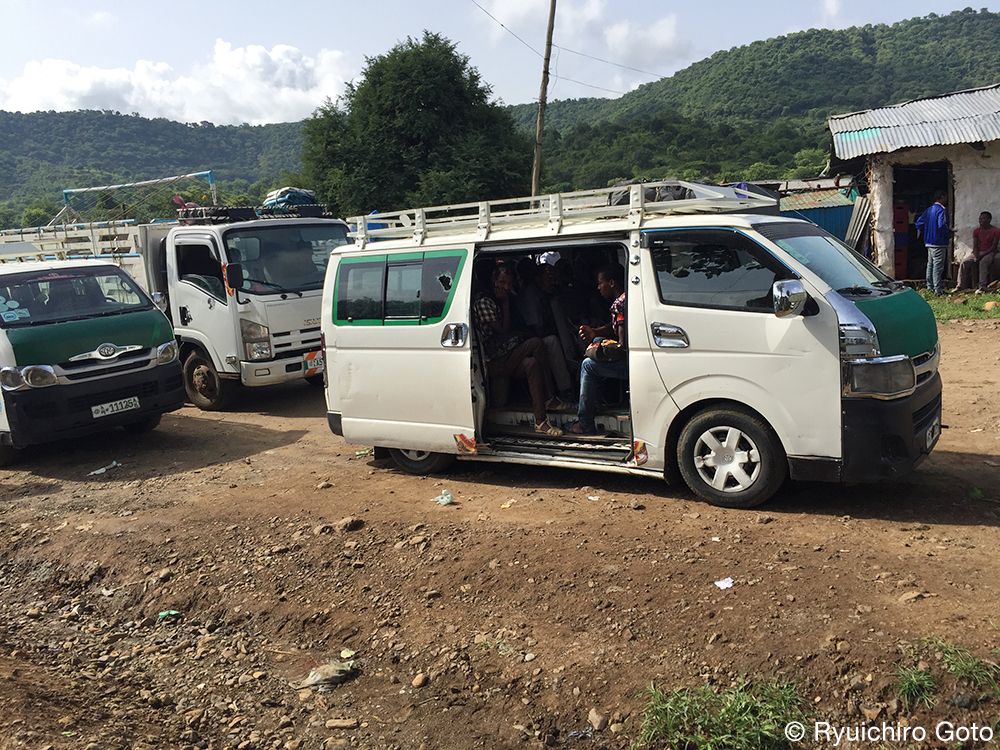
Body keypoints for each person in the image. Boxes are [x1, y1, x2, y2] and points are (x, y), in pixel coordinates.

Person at [472, 263, 564, 436]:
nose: (505, 287)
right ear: (493, 280)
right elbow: (503, 331)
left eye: (508, 283)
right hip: (492, 360)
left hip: (505, 355)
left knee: (531, 364)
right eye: (502, 282)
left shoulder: (505, 297)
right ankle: (550, 397)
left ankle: (540, 421)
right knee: (536, 343)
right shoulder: (484, 301)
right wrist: (506, 302)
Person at [569, 264, 628, 436]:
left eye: (600, 283)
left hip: (629, 362)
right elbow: (616, 327)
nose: (598, 287)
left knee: (588, 364)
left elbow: (622, 346)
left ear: (611, 283)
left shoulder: (619, 304)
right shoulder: (627, 298)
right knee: (594, 342)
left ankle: (585, 422)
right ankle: (594, 402)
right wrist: (596, 334)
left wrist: (598, 350)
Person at [955, 211, 1000, 293]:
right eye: (980, 219)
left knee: (983, 262)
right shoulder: (977, 231)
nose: (981, 221)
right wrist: (976, 255)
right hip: (978, 252)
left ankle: (982, 286)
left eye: (983, 219)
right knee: (964, 262)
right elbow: (975, 245)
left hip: (990, 252)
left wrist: (983, 254)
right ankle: (960, 285)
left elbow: (994, 247)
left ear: (989, 220)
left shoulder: (996, 231)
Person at [915, 193, 950, 295]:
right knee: (938, 266)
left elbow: (919, 223)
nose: (946, 199)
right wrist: (948, 234)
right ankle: (937, 289)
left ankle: (929, 286)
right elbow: (942, 225)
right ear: (941, 198)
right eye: (945, 197)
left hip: (928, 242)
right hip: (939, 242)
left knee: (930, 265)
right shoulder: (941, 210)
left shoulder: (929, 210)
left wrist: (925, 232)